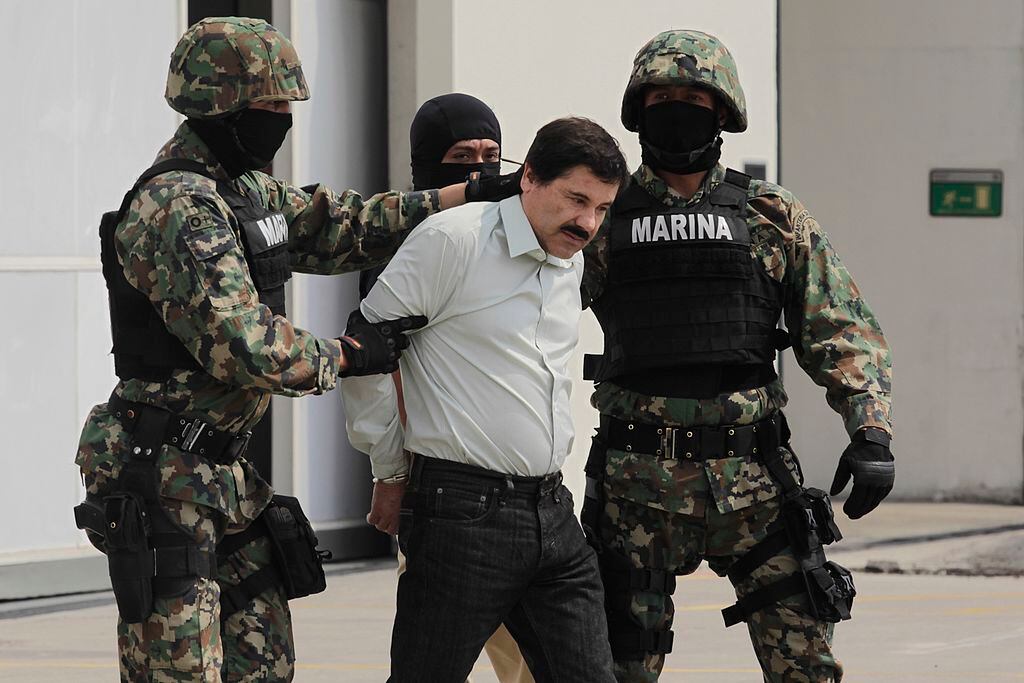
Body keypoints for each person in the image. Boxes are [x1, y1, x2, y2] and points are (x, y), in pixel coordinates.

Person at [72, 17, 516, 682]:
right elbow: (244, 345)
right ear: (219, 103)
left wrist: (471, 193)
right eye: (270, 105)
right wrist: (349, 353)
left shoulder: (245, 191)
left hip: (224, 477)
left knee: (264, 662)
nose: (282, 119)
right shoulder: (179, 208)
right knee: (181, 673)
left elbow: (347, 225)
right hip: (163, 479)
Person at [580, 30, 894, 682]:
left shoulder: (771, 215)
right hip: (637, 484)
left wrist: (870, 429)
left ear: (722, 110)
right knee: (616, 669)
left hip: (752, 479)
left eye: (692, 96)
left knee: (805, 662)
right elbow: (525, 319)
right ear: (639, 110)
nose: (676, 107)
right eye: (662, 96)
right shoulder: (600, 218)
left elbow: (840, 327)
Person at [343, 117, 630, 682]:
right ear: (528, 178)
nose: (588, 222)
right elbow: (368, 353)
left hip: (553, 512)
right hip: (461, 516)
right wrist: (389, 470)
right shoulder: (453, 240)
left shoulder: (570, 257)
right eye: (576, 199)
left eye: (601, 207)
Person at [360, 92, 535, 683]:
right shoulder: (405, 249)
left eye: (493, 154)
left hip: (530, 490)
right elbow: (375, 375)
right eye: (463, 156)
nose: (483, 169)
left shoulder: (519, 235)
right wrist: (389, 475)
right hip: (440, 488)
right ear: (427, 167)